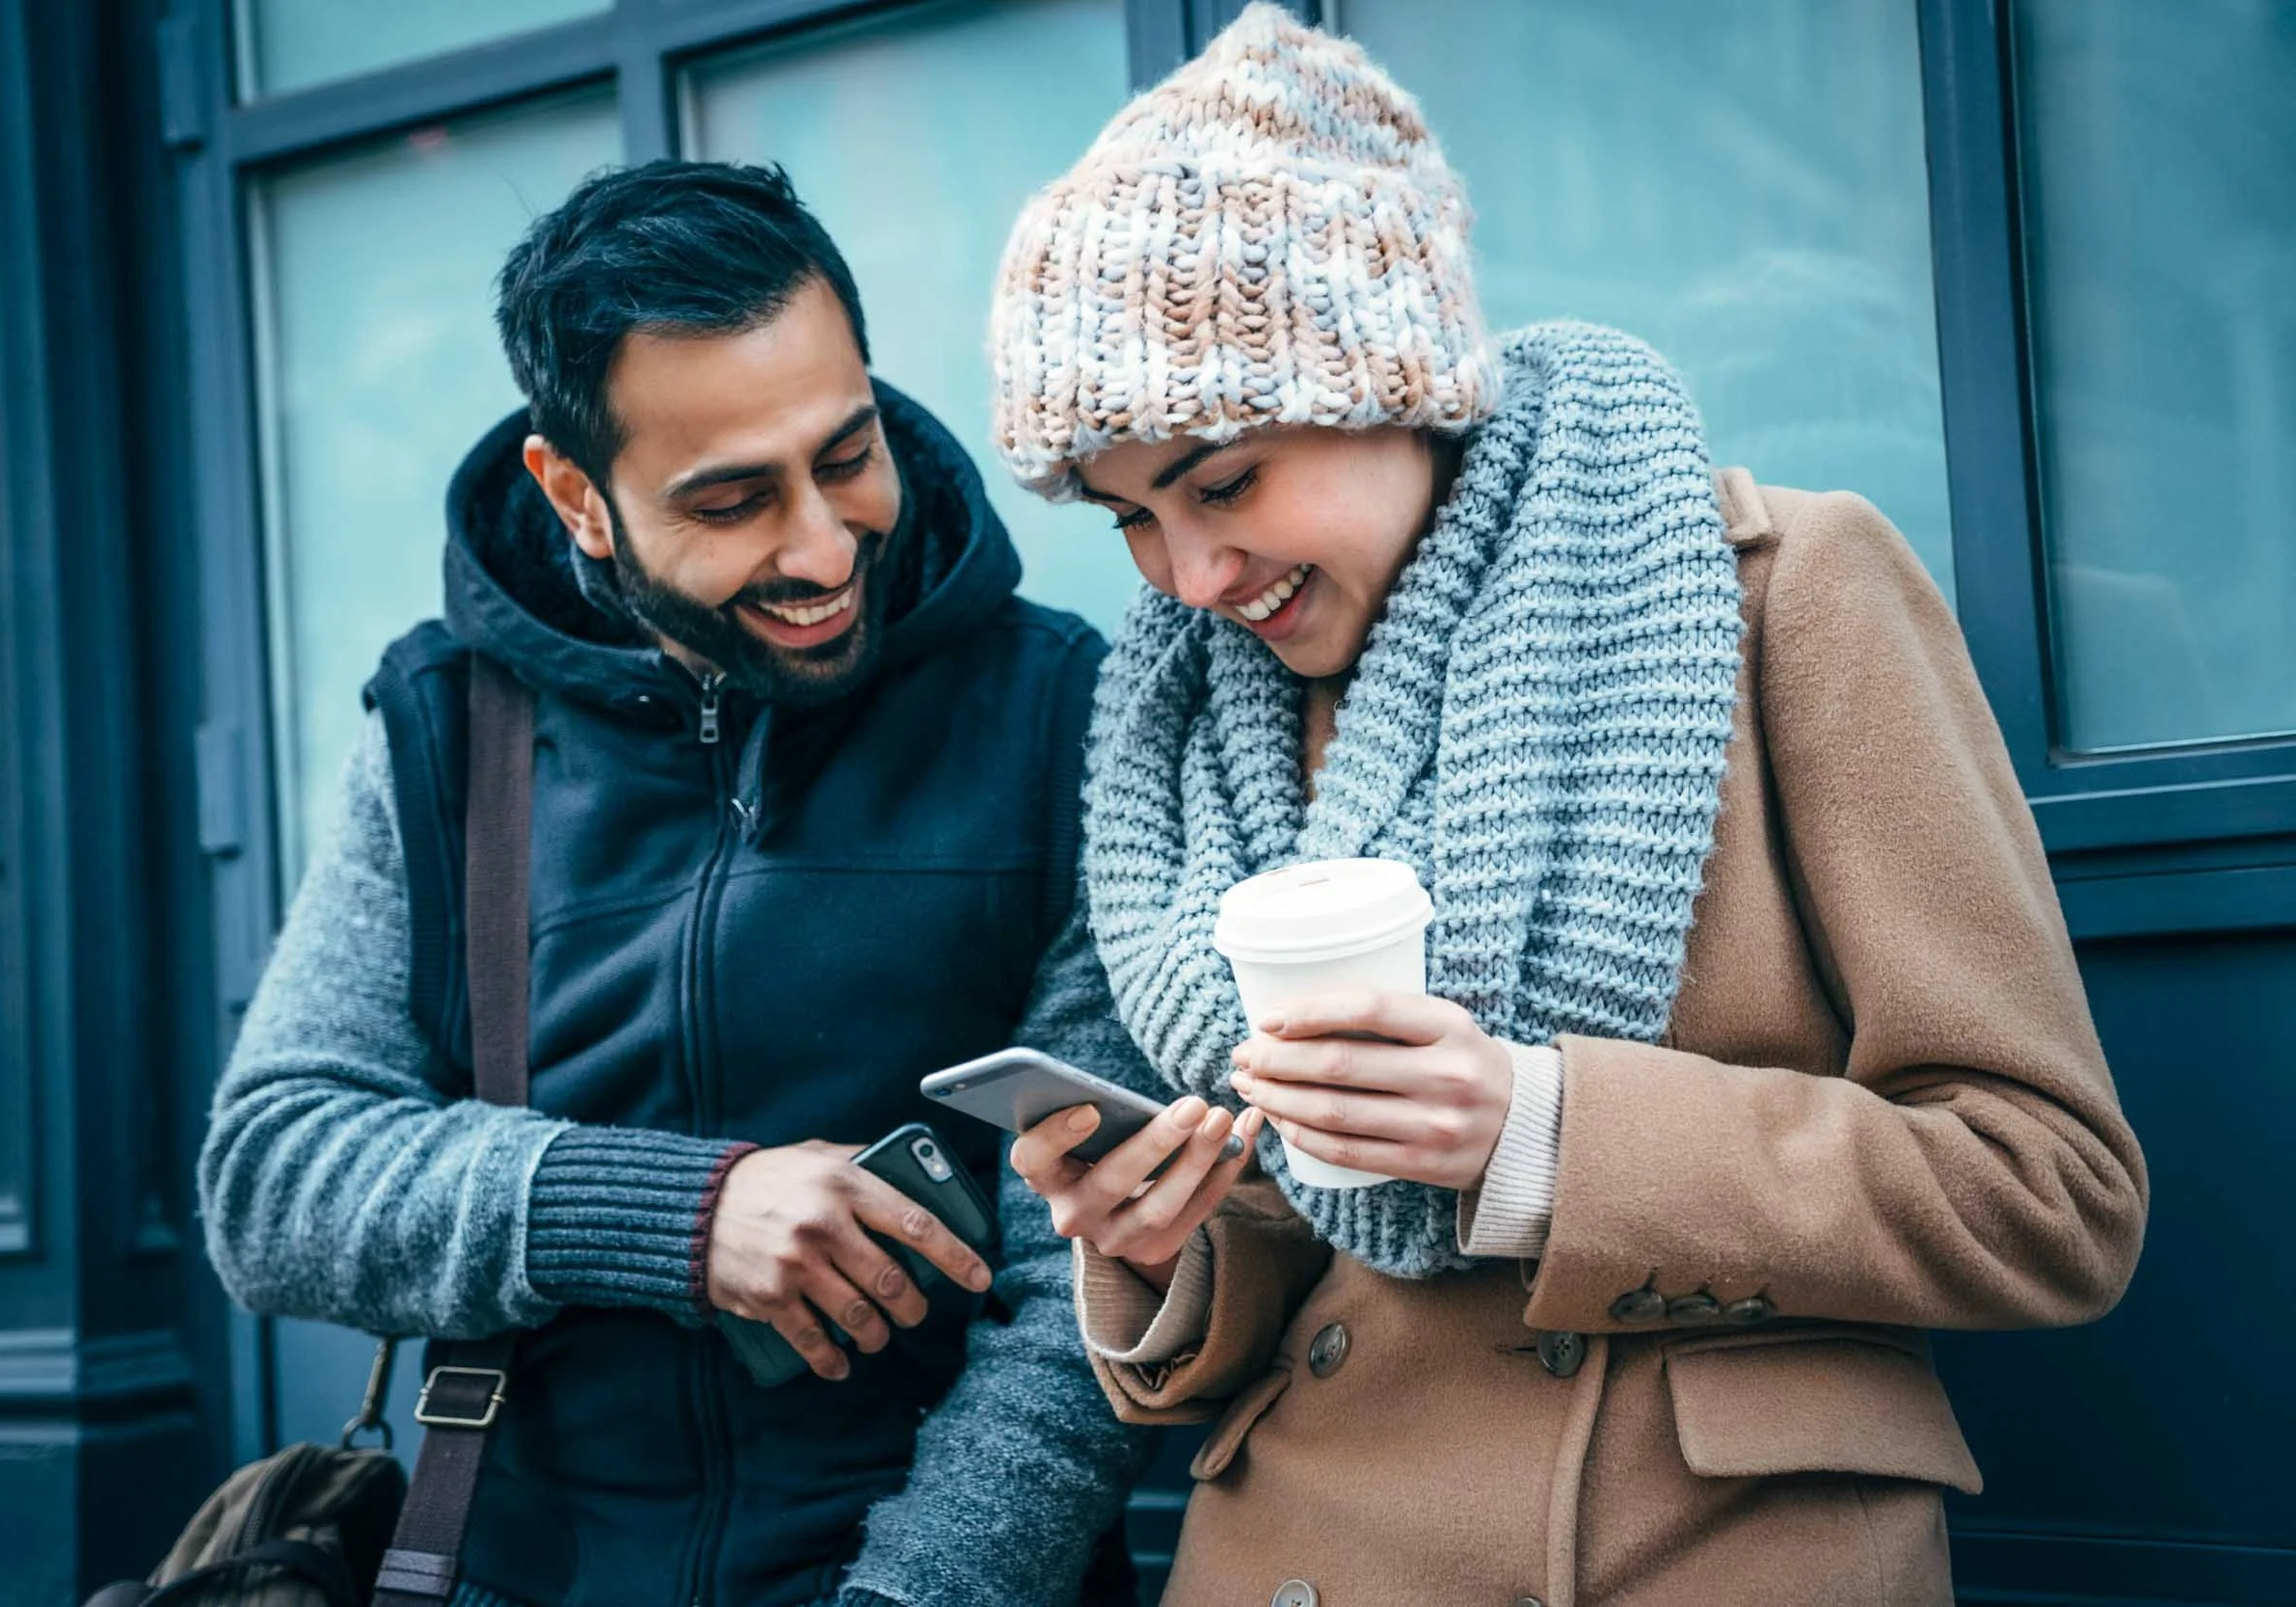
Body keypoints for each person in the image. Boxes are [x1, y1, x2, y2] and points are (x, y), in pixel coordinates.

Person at [991, 9, 2148, 1605]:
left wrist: (1540, 1133)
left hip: (1680, 1550)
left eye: (1225, 479)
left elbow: (2050, 1194)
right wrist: (1151, 1242)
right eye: (1128, 518)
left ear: (1398, 379)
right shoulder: (1197, 724)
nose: (1188, 577)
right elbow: (1321, 1245)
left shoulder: (1776, 597)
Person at [198, 161, 1147, 1607]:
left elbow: (1083, 1295)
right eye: (733, 499)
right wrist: (677, 1214)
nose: (826, 546)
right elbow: (269, 1173)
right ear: (576, 494)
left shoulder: (1063, 711)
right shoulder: (446, 731)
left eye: (847, 453)